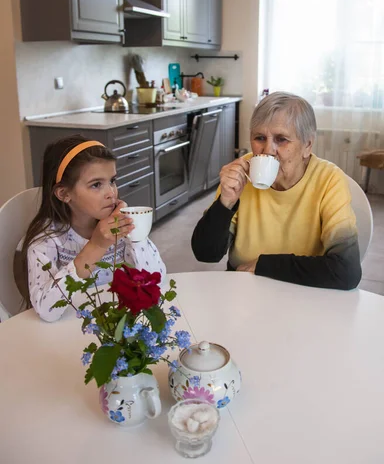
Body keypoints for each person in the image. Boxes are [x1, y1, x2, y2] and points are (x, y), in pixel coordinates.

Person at [191, 92, 362, 290]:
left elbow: (346, 271)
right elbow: (206, 254)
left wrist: (264, 265)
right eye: (259, 137)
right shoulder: (241, 176)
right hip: (245, 292)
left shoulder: (329, 180)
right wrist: (225, 202)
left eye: (281, 139)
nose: (267, 150)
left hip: (306, 293)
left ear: (307, 145)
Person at [22, 135, 166, 322]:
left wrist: (136, 234)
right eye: (96, 184)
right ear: (64, 193)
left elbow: (158, 284)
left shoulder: (119, 226)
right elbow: (46, 311)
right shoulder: (47, 239)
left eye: (112, 181)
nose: (111, 193)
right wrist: (97, 246)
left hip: (117, 326)